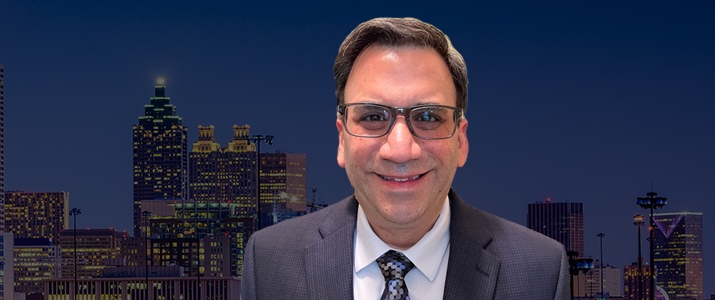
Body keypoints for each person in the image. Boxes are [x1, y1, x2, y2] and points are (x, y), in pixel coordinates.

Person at [241, 17, 570, 300]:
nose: (400, 150)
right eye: (372, 116)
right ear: (342, 138)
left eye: (428, 117)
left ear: (461, 139)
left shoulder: (540, 271)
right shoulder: (269, 260)